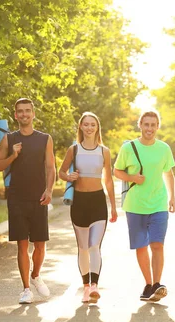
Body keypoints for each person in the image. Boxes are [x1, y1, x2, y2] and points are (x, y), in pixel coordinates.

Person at [0, 98, 56, 304]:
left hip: (38, 197)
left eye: (27, 111)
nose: (24, 114)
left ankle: (36, 275)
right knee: (22, 245)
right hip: (17, 198)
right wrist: (12, 156)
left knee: (40, 245)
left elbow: (50, 167)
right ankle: (26, 289)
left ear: (33, 114)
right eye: (20, 111)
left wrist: (49, 190)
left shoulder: (45, 138)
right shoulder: (9, 139)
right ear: (15, 115)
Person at [113, 110, 175, 302]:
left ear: (158, 126)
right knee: (141, 246)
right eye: (146, 124)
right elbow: (117, 171)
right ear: (140, 125)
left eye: (153, 125)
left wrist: (172, 197)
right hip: (135, 204)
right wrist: (132, 177)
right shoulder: (128, 148)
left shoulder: (164, 148)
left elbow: (169, 173)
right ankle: (148, 284)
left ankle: (157, 284)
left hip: (158, 204)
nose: (150, 128)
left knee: (157, 244)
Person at [58, 112, 117, 304]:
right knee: (83, 247)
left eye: (93, 124)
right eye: (86, 124)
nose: (90, 128)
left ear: (97, 127)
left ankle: (94, 286)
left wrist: (114, 206)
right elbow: (61, 171)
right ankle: (85, 287)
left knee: (94, 246)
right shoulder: (73, 150)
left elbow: (108, 180)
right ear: (81, 127)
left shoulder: (104, 151)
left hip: (98, 201)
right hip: (79, 202)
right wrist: (68, 177)